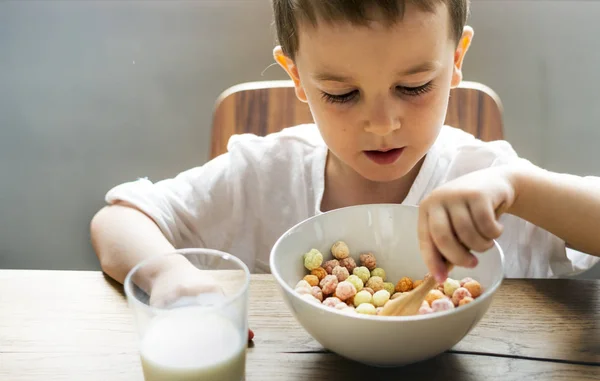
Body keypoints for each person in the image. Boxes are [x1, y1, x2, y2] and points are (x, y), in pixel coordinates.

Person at [91, 0, 599, 311]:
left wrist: (520, 187)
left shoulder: (489, 180)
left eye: (415, 85)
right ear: (296, 78)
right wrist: (170, 275)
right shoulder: (264, 175)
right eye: (341, 94)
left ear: (457, 60)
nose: (382, 123)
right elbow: (120, 219)